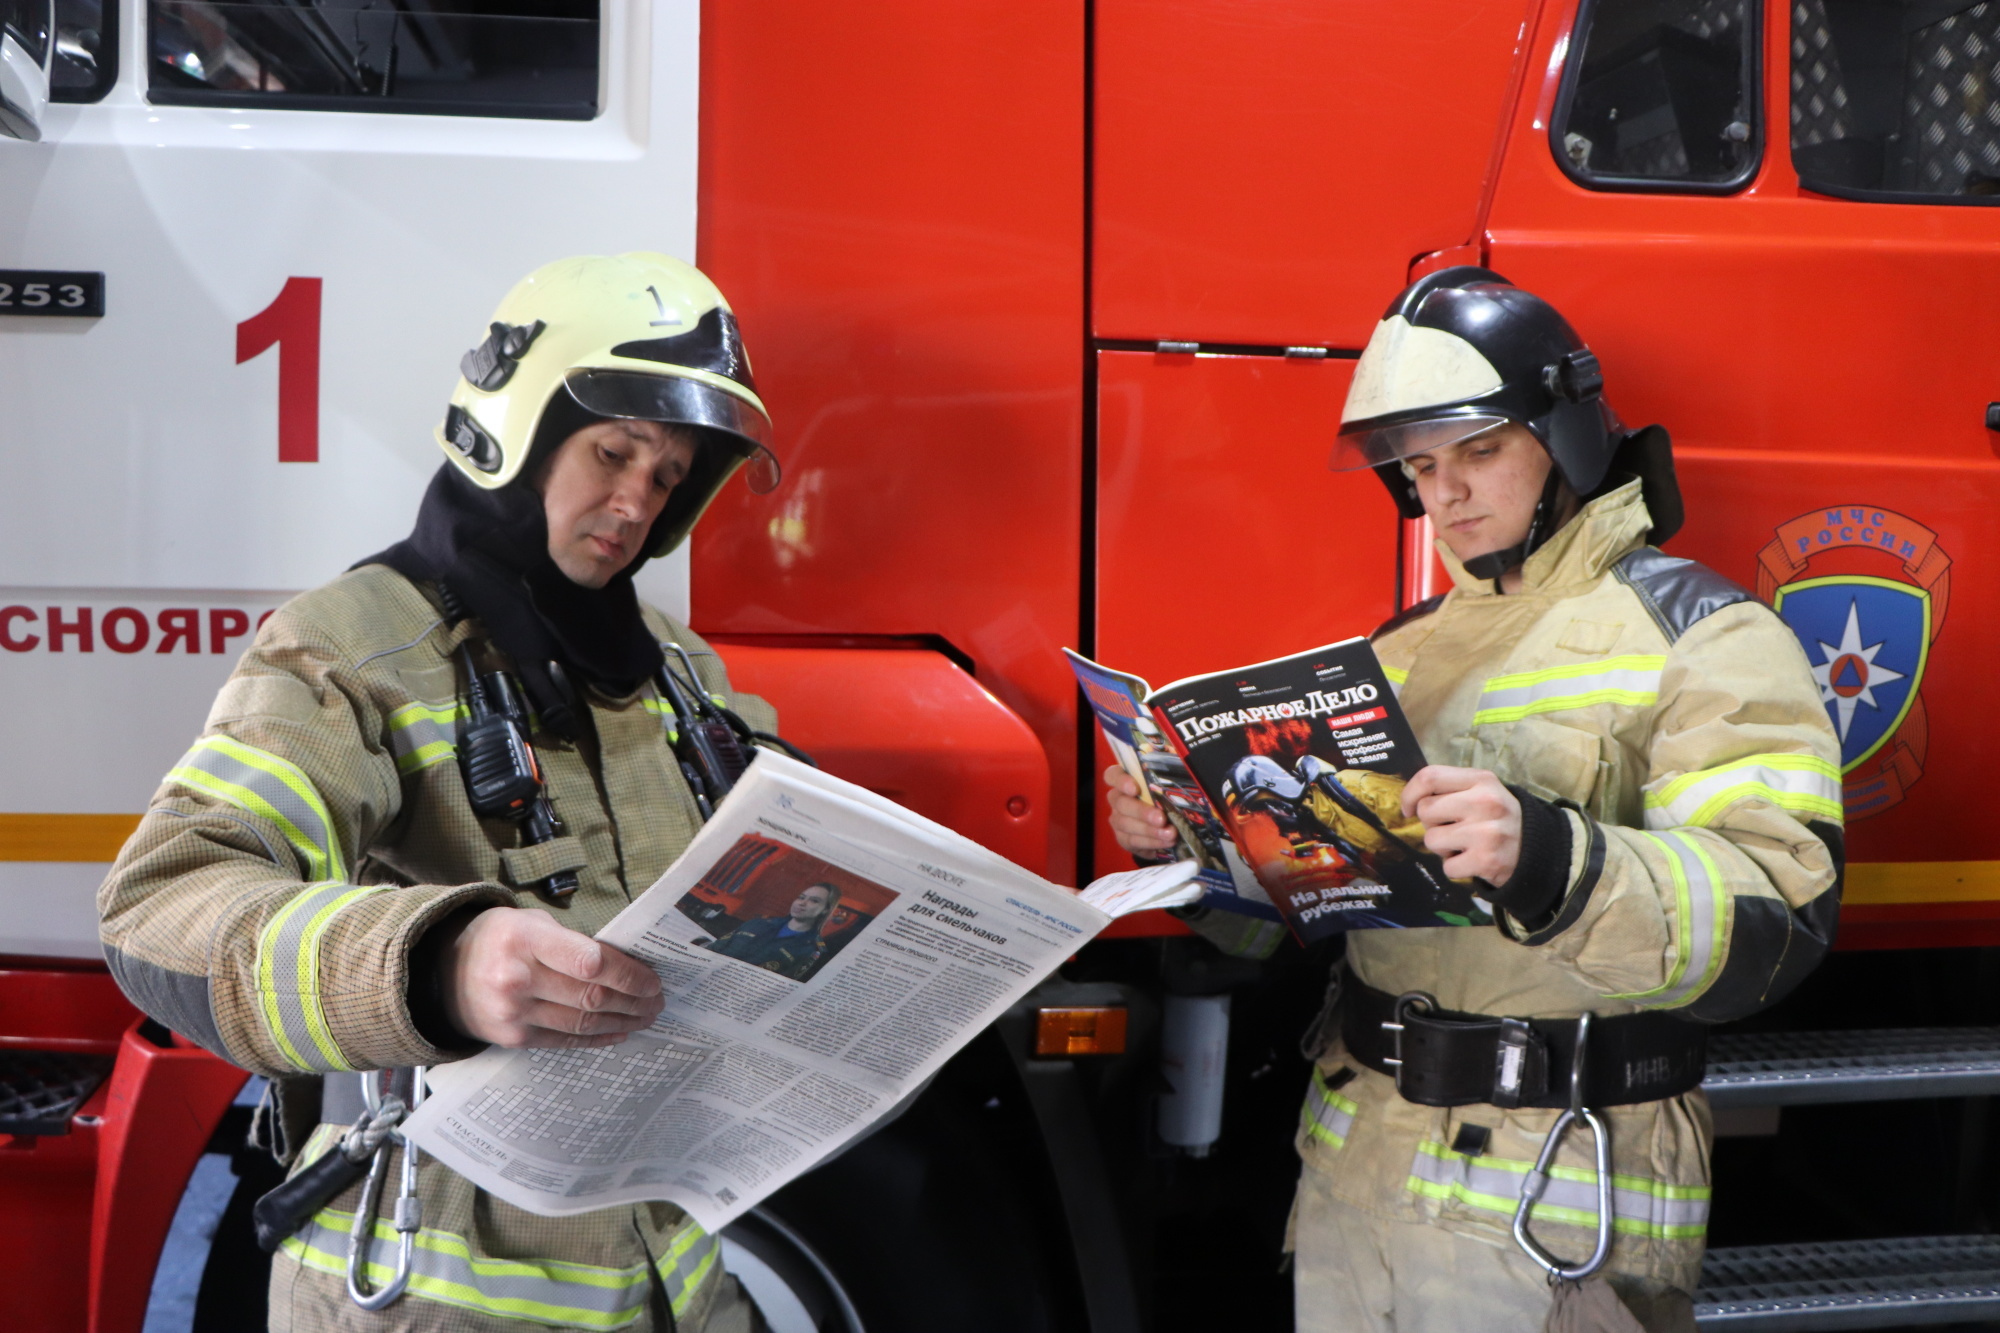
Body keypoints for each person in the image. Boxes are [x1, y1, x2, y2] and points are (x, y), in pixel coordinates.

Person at [1106, 268, 1843, 1332]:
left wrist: (1550, 856)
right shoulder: (1397, 656)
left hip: (1546, 1198)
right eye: (1417, 466)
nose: (1442, 493)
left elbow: (1775, 919)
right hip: (1352, 1183)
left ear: (1567, 435)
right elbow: (1317, 918)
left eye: (1477, 451)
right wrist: (1195, 859)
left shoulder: (1705, 633)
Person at [98, 253, 786, 1333]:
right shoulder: (352, 649)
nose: (634, 502)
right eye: (612, 453)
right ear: (517, 428)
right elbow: (160, 905)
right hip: (425, 1300)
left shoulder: (673, 668)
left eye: (666, 476)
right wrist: (436, 966)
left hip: (672, 1290)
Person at [701, 883, 841, 980]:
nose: (802, 903)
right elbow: (713, 949)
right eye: (801, 897)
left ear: (825, 910)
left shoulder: (810, 951)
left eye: (814, 901)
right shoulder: (757, 923)